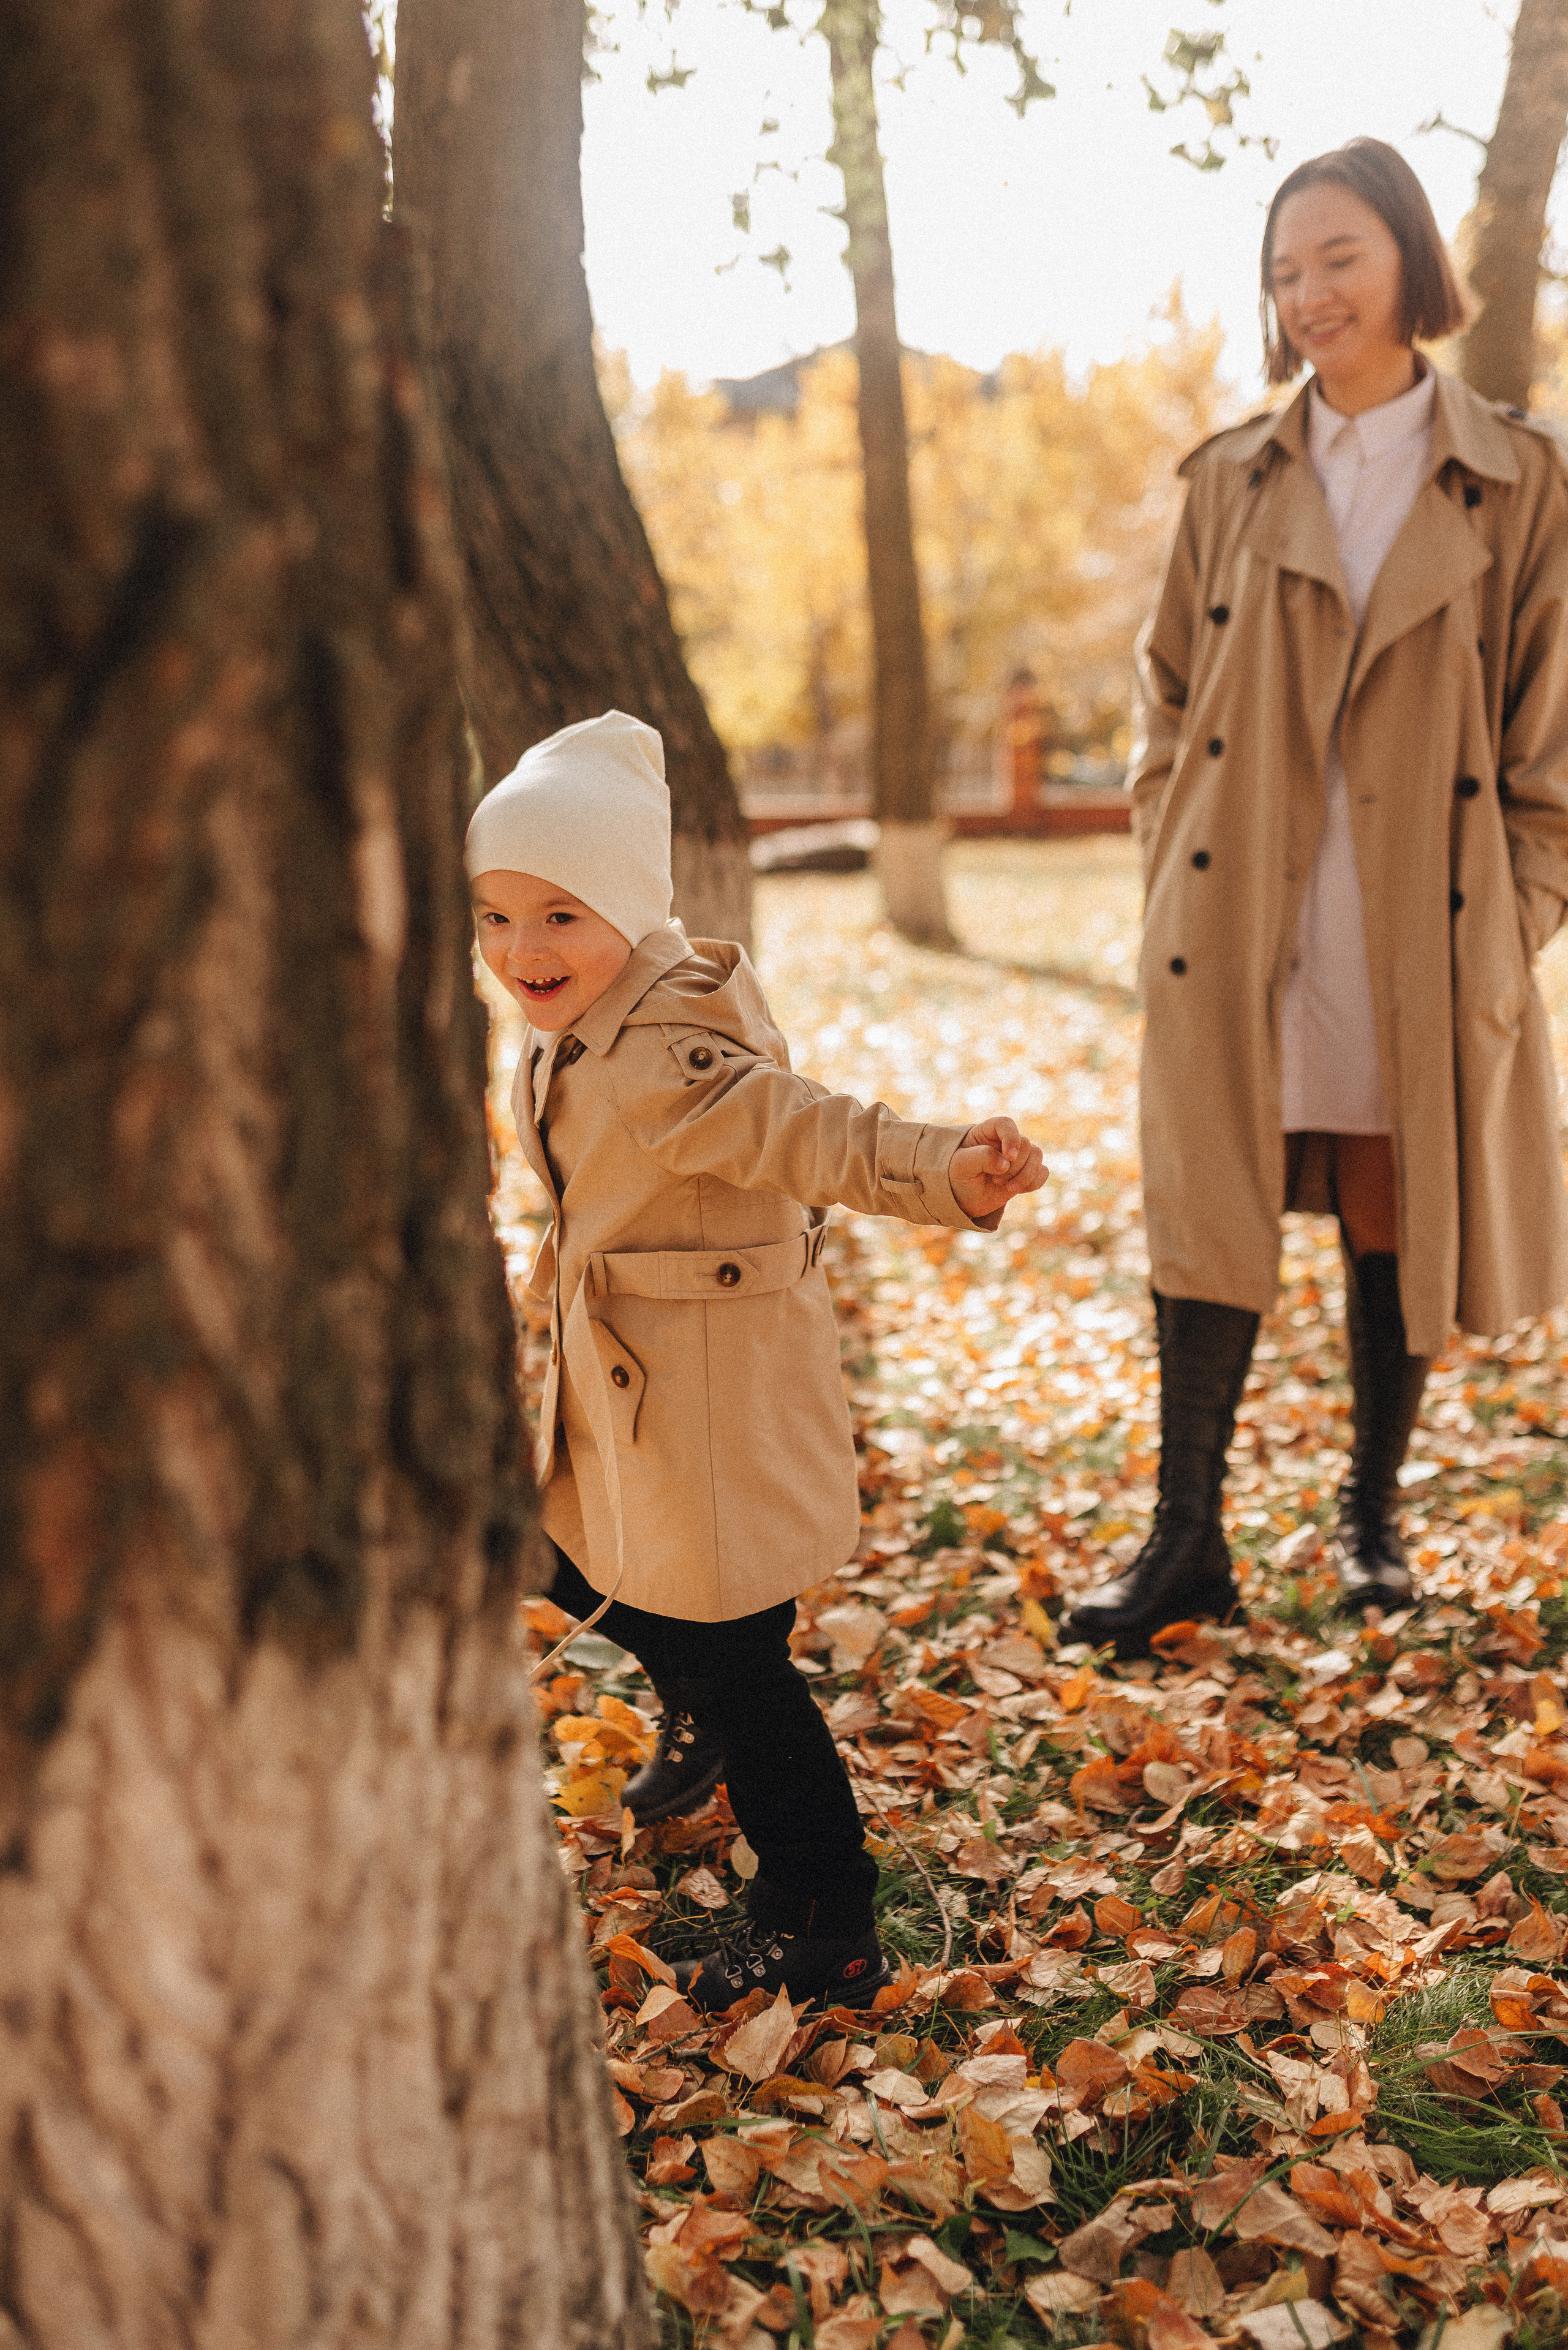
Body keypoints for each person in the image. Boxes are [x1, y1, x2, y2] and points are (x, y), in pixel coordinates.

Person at [1066, 137, 1568, 1660]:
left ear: (1408, 260)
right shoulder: (1229, 474)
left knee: (1386, 1194)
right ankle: (1184, 1536)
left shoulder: (1515, 478)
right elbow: (1161, 697)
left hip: (1417, 910)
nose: (1306, 294)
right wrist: (1169, 855)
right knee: (1205, 1209)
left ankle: (1368, 1520)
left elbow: (1550, 737)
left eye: (1337, 257)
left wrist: (1509, 912)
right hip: (1233, 912)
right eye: (1283, 270)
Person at [469, 711, 1046, 2008]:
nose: (519, 949)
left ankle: (823, 1915)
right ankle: (701, 1707)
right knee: (558, 1550)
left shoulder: (667, 1049)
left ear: (623, 904)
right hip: (636, 1384)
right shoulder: (581, 1013)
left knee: (744, 1665)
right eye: (495, 916)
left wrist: (941, 1164)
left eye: (556, 913)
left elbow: (800, 1131)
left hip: (703, 1407)